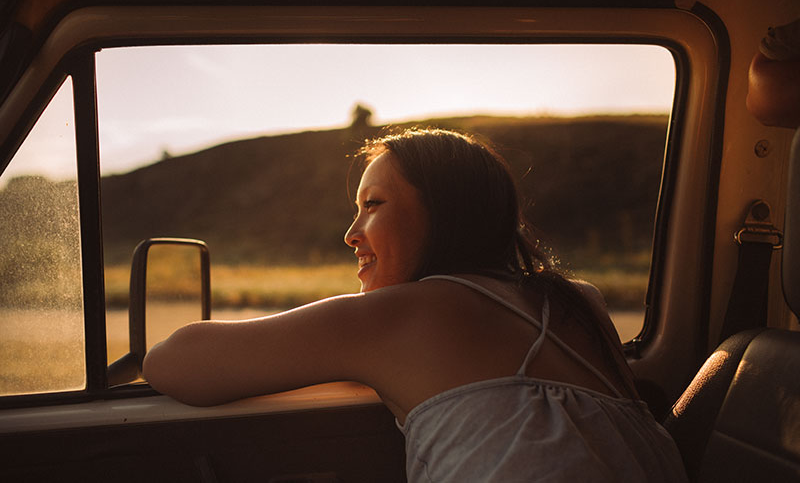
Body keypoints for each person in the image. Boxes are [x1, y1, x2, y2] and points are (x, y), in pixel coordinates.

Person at [143, 128, 687, 482]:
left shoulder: (400, 316)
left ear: (445, 214)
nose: (352, 234)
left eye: (372, 205)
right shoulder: (582, 303)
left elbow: (174, 361)